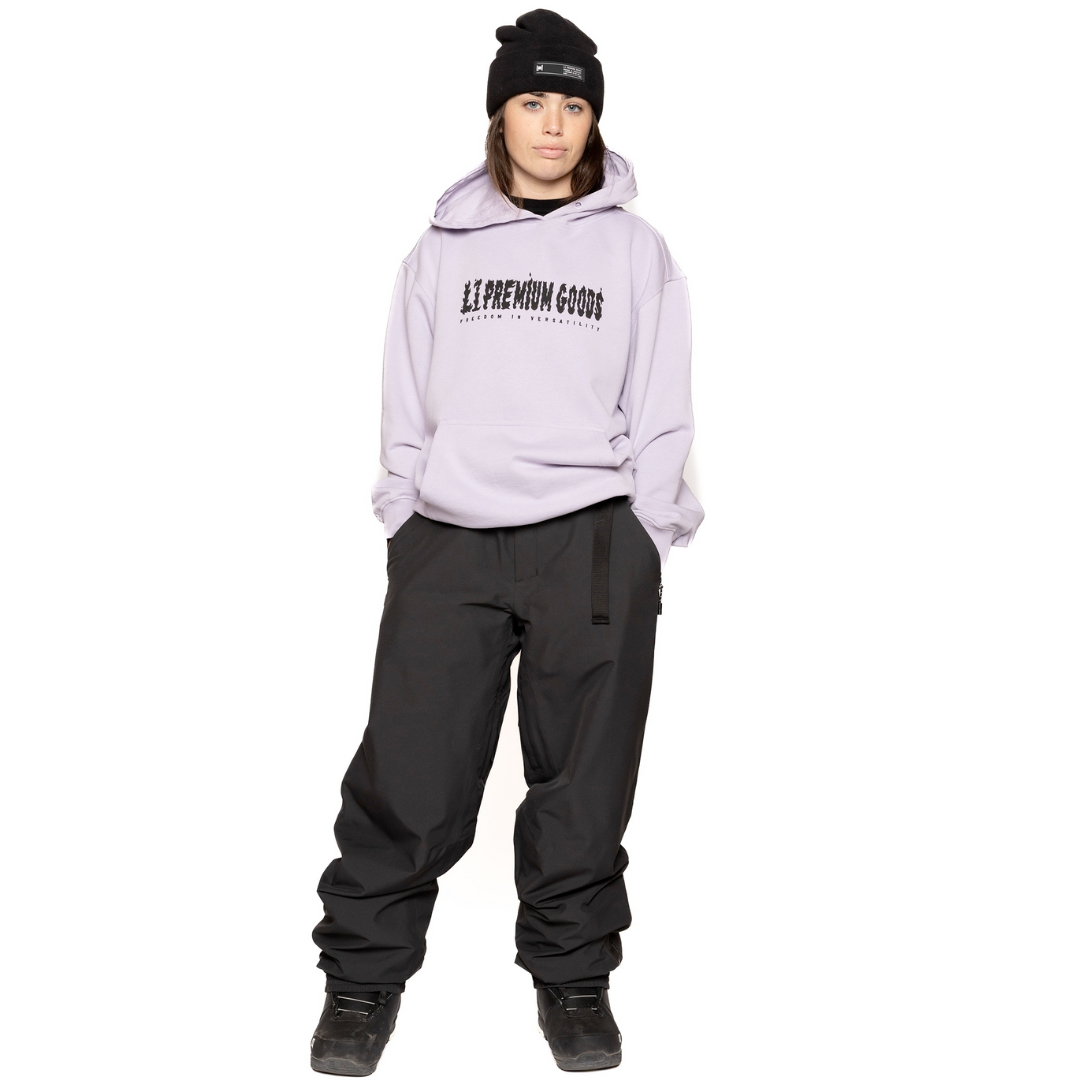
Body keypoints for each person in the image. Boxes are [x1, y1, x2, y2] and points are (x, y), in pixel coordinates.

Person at [309, 8, 704, 1074]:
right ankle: (361, 985)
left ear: (594, 121)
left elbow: (662, 401)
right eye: (533, 101)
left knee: (584, 781)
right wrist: (406, 513)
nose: (554, 123)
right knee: (409, 772)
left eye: (573, 105)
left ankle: (574, 983)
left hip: (593, 541)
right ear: (501, 115)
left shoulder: (636, 250)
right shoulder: (438, 251)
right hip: (450, 539)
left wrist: (647, 529)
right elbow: (405, 395)